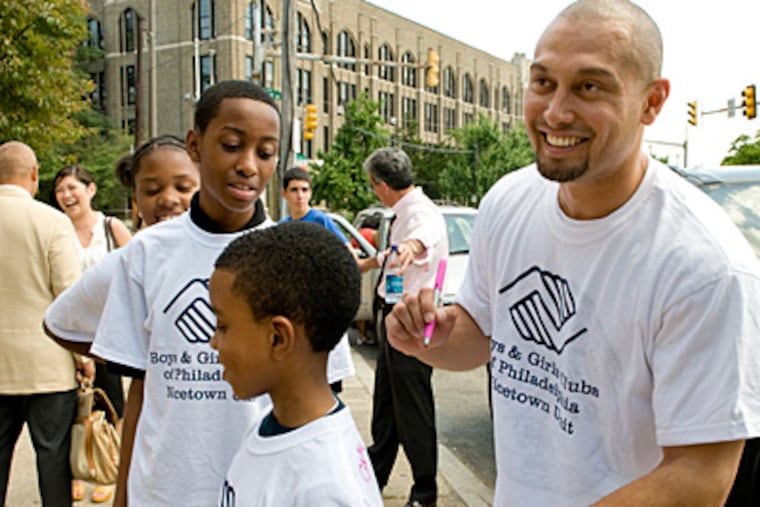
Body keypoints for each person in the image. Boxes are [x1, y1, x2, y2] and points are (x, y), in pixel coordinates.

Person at [385, 1, 760, 506]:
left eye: (589, 87)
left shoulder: (705, 267)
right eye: (543, 83)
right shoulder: (509, 201)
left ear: (652, 101)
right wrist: (430, 336)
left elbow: (701, 477)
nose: (556, 112)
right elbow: (481, 336)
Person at [82, 80, 280, 506]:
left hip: (259, 489)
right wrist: (123, 495)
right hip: (163, 489)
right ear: (195, 144)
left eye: (265, 153)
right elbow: (139, 390)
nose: (249, 165)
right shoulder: (146, 254)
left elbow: (320, 403)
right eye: (231, 144)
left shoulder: (291, 257)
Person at [44, 134, 201, 506]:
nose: (168, 199)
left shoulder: (230, 250)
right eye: (152, 189)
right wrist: (117, 349)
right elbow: (59, 321)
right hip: (159, 432)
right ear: (136, 198)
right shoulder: (135, 259)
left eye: (183, 186)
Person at [209, 221, 383, 506]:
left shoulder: (325, 489)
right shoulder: (271, 426)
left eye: (222, 326)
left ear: (278, 338)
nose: (213, 342)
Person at [357, 147, 448, 507]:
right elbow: (396, 253)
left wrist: (412, 244)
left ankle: (424, 491)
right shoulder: (403, 211)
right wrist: (369, 263)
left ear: (381, 185)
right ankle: (374, 477)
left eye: (372, 185)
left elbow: (421, 237)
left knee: (413, 408)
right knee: (386, 407)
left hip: (410, 320)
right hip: (392, 315)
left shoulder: (420, 212)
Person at [0, 141, 86, 507]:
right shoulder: (52, 222)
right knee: (52, 458)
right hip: (48, 365)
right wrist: (85, 359)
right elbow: (70, 298)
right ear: (34, 175)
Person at [53, 163, 132, 504]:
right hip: (71, 332)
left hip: (108, 333)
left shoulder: (111, 227)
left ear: (91, 189)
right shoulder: (56, 230)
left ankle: (108, 468)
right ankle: (78, 468)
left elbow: (133, 274)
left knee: (112, 404)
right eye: (61, 191)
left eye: (73, 188)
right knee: (73, 407)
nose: (67, 196)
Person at [279, 165, 355, 393]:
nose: (299, 195)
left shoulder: (321, 221)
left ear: (310, 193)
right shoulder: (281, 229)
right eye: (294, 190)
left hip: (323, 308)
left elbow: (347, 254)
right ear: (284, 194)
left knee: (328, 383)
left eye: (304, 189)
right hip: (295, 311)